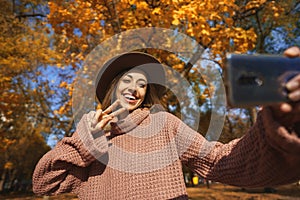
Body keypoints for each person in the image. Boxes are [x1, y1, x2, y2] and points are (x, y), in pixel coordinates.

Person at [32, 48, 300, 199]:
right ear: (113, 88)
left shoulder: (163, 124)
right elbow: (44, 184)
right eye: (128, 80)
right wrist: (84, 142)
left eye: (142, 84)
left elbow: (218, 160)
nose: (135, 89)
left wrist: (284, 124)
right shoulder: (89, 140)